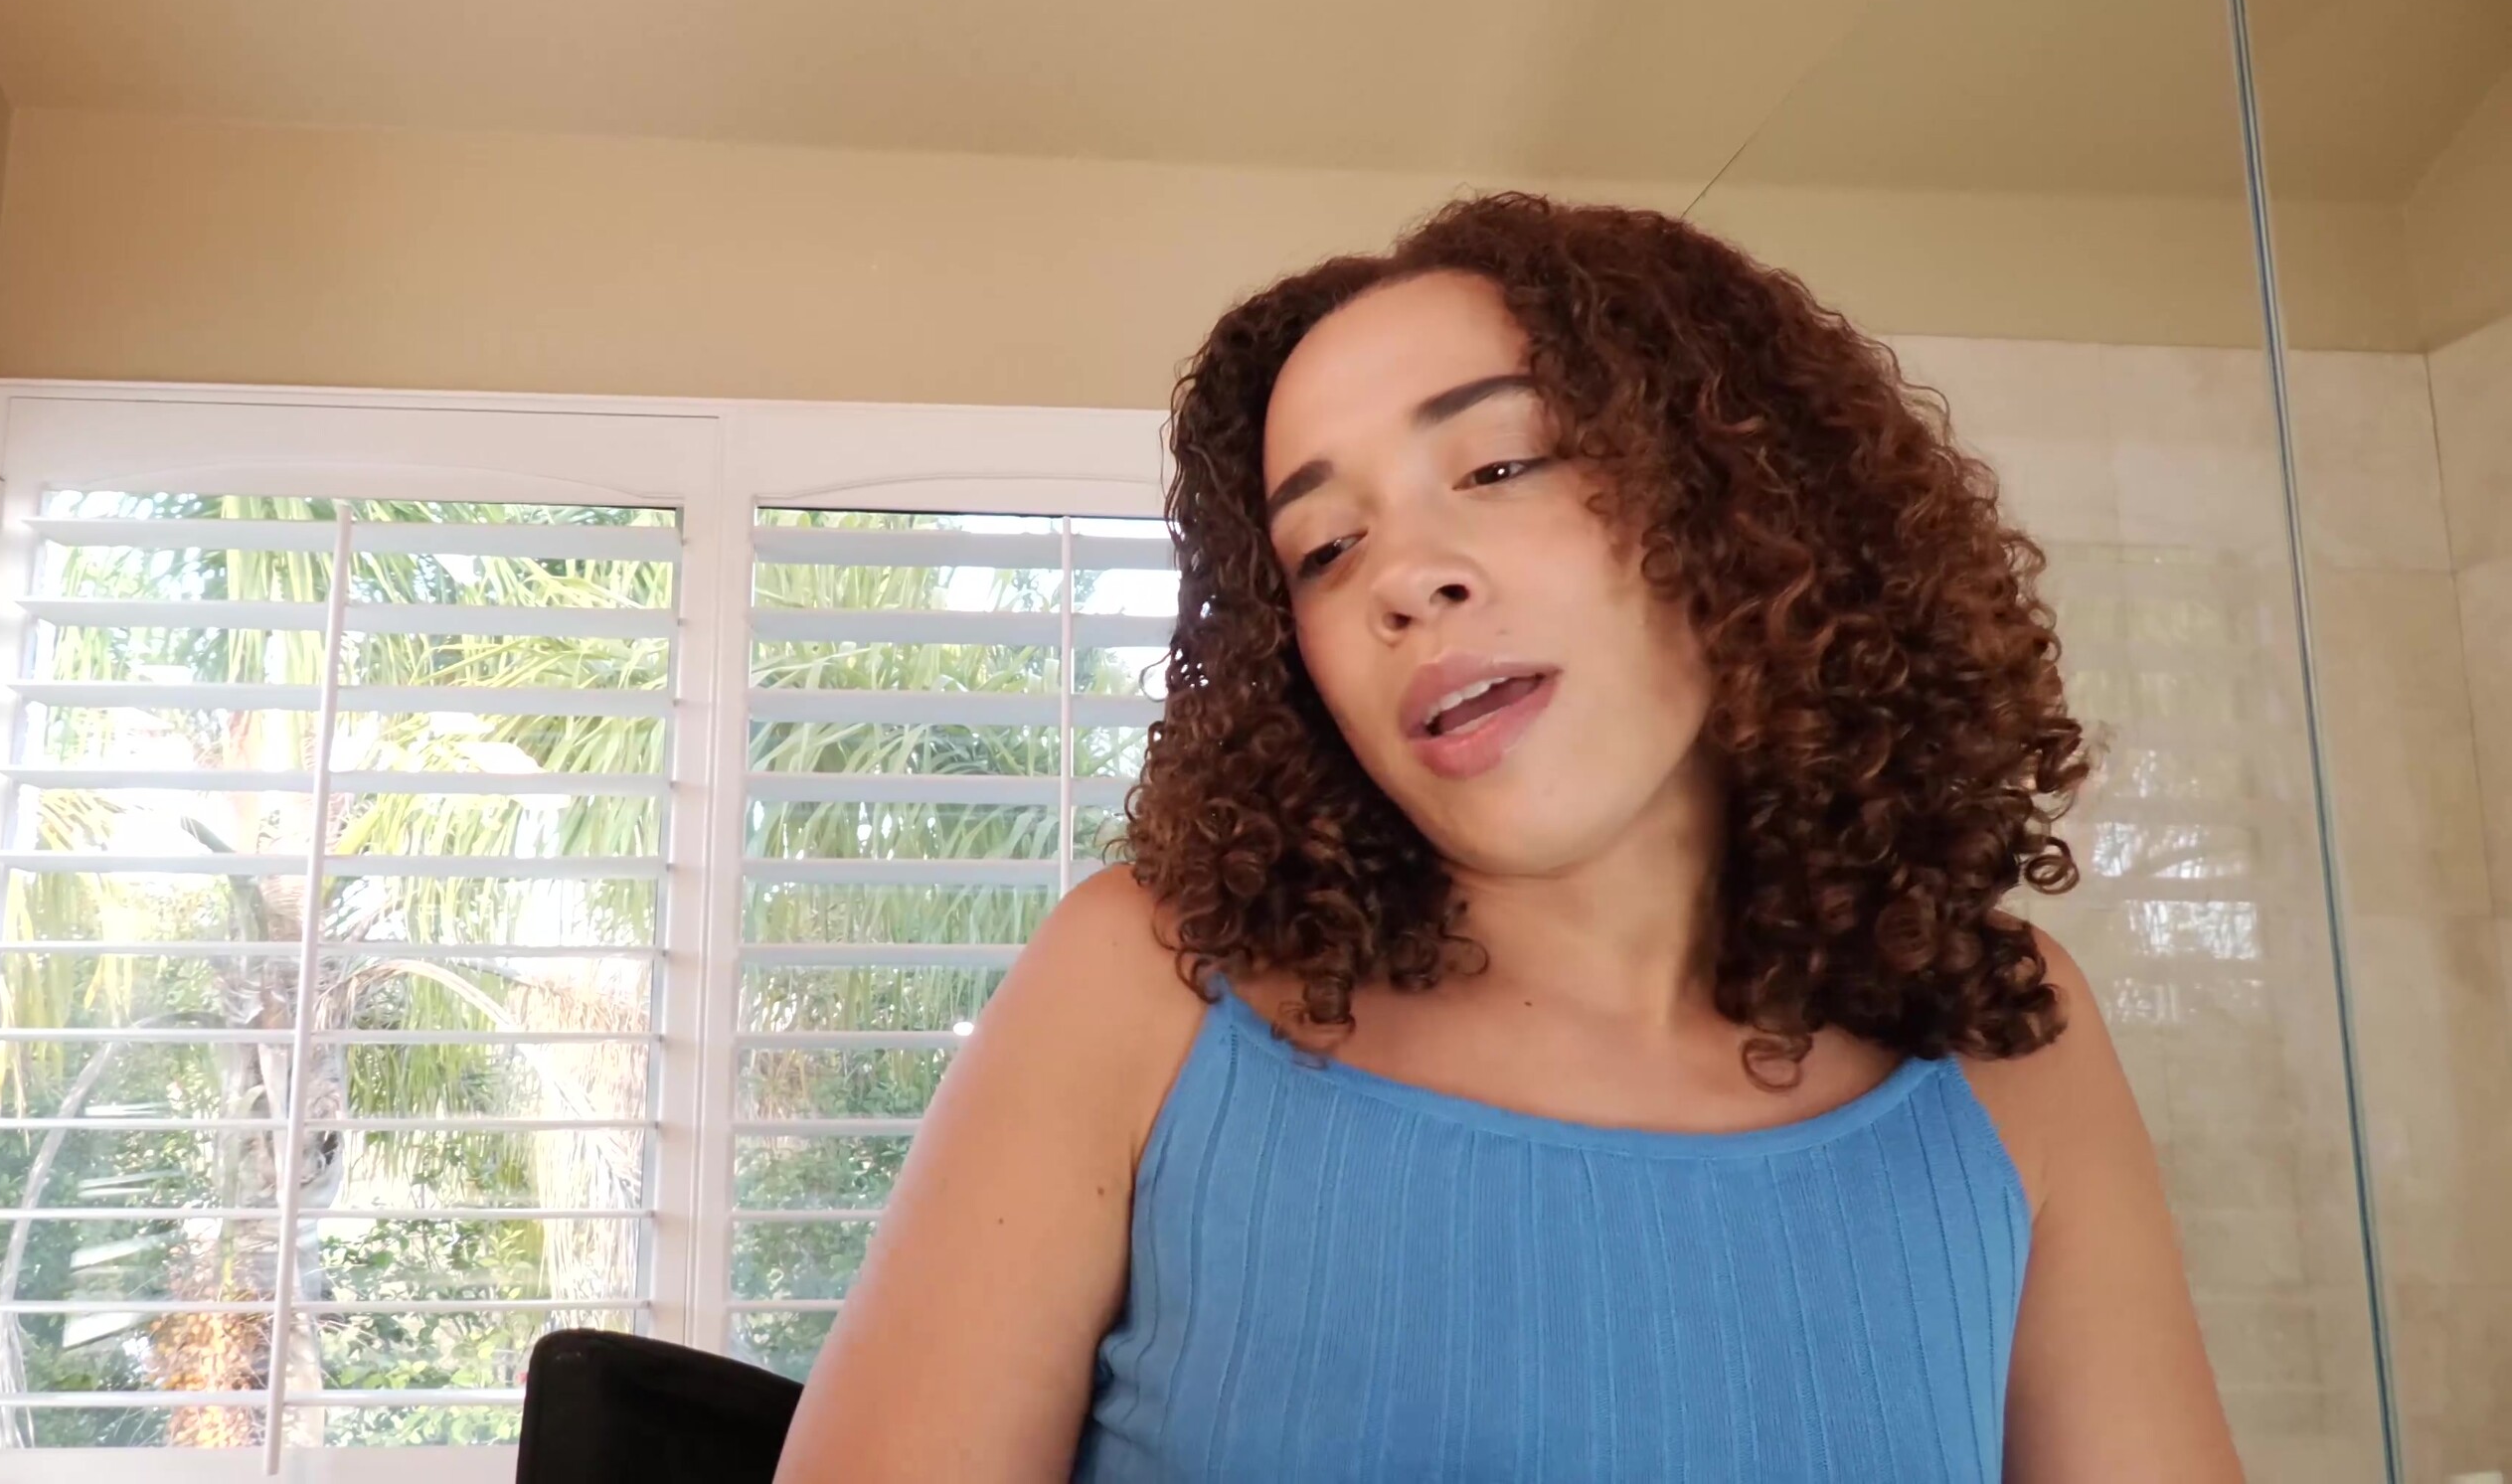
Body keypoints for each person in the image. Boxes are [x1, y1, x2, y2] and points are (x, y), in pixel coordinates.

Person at [774, 195, 2240, 1482]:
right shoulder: (1143, 986)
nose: (1402, 579)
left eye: (1497, 466)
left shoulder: (2010, 1043)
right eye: (1323, 549)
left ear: (1741, 502)